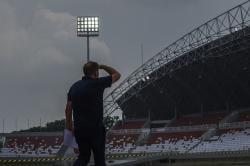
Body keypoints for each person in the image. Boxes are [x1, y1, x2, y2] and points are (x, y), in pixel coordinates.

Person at [65, 61, 121, 166]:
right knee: (99, 159)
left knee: (83, 157)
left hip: (80, 129)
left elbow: (68, 110)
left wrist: (69, 128)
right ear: (96, 73)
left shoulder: (74, 87)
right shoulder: (98, 83)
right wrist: (103, 66)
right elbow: (117, 75)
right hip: (96, 129)